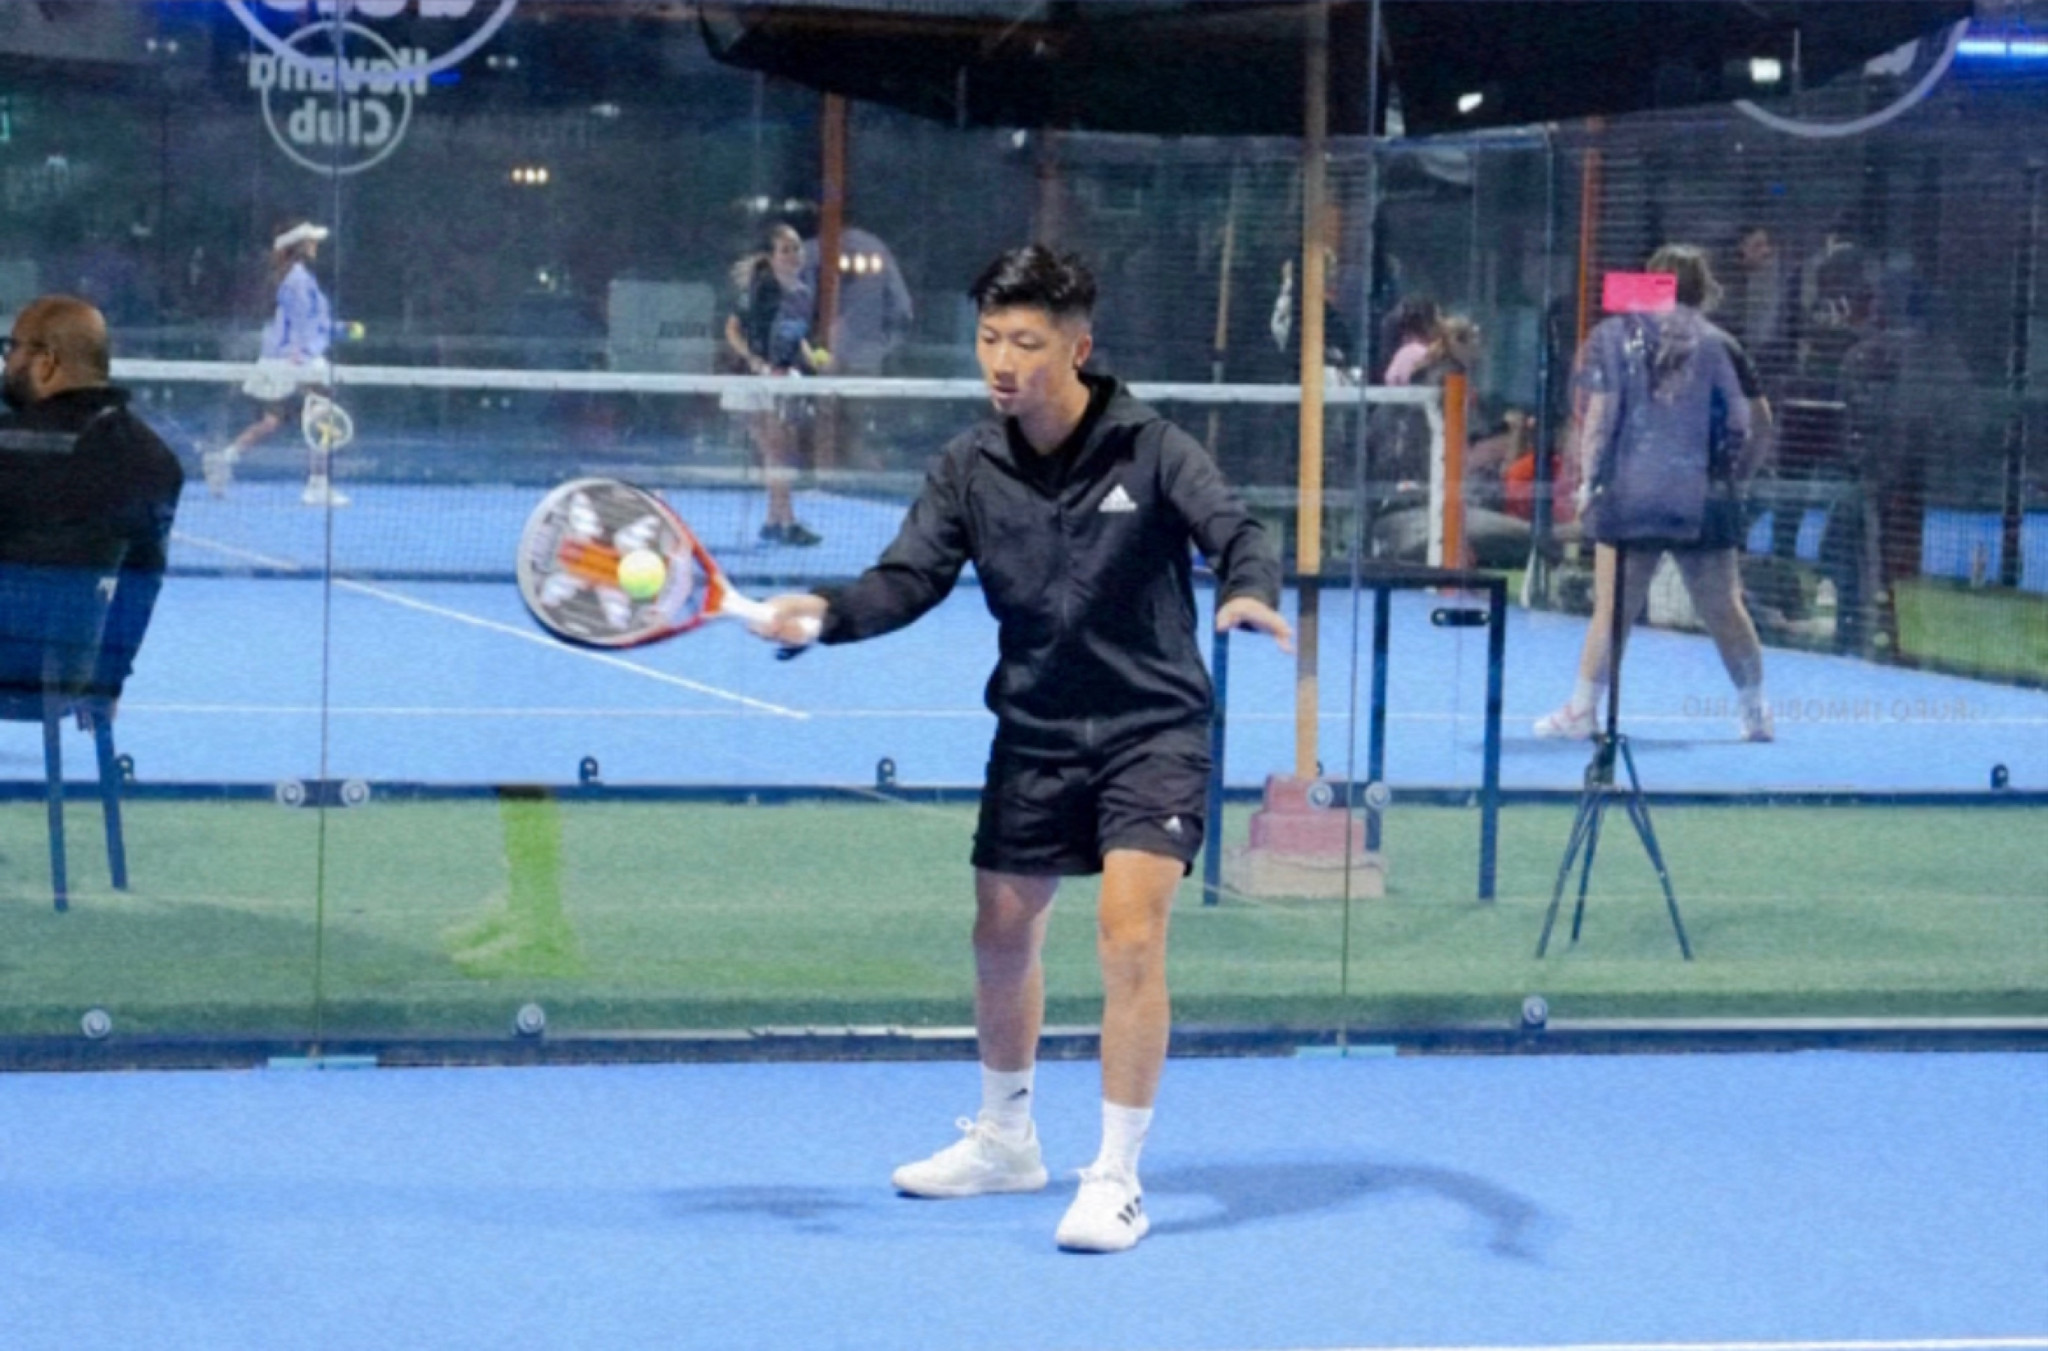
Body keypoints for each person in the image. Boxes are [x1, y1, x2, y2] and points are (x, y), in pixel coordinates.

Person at [753, 246, 1291, 1254]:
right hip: (1037, 729)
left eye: (1026, 342)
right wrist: (823, 613)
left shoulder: (1153, 448)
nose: (1001, 361)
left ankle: (1116, 1176)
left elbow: (1235, 529)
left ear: (1077, 348)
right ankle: (1006, 1140)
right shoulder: (968, 466)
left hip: (1152, 727)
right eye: (989, 338)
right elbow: (906, 577)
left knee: (1130, 932)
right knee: (1000, 933)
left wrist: (1249, 589)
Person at [1533, 244, 1777, 744]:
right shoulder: (1723, 345)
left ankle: (1583, 711)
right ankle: (1755, 713)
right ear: (1703, 289)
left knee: (1613, 609)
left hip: (1635, 494)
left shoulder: (1620, 342)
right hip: (1704, 496)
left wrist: (1589, 483)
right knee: (1725, 607)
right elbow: (1760, 422)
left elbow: (1600, 418)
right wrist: (1739, 478)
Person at [0, 295, 183, 709]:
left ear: (46, 362)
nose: (7, 362)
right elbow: (141, 583)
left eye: (13, 348)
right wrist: (107, 682)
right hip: (66, 680)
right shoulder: (154, 460)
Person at [204, 220, 348, 507]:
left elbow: (306, 322)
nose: (315, 245)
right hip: (297, 359)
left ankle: (224, 458)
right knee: (322, 414)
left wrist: (337, 329)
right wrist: (309, 349)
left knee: (272, 421)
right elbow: (305, 325)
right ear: (299, 246)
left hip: (280, 358)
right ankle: (317, 485)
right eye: (310, 240)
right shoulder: (298, 280)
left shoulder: (293, 277)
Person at [722, 222, 828, 547]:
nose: (794, 255)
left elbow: (795, 335)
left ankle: (773, 520)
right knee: (776, 451)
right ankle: (788, 522)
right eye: (785, 250)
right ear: (771, 257)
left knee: (780, 452)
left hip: (785, 380)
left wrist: (812, 357)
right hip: (753, 381)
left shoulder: (804, 293)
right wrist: (756, 362)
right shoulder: (760, 290)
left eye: (796, 248)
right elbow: (732, 330)